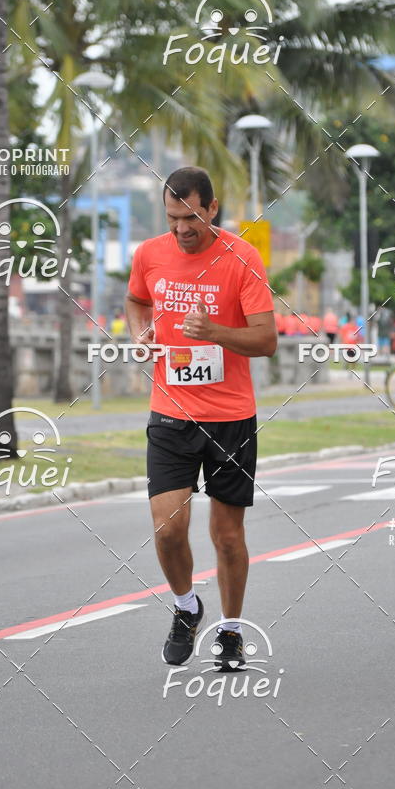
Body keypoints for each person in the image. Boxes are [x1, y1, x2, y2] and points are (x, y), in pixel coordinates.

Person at [125, 166, 277, 670]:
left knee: (227, 536)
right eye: (172, 218)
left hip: (230, 417)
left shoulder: (242, 257)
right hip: (170, 412)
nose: (181, 229)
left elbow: (266, 339)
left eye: (191, 217)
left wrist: (215, 332)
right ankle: (187, 606)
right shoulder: (149, 254)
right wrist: (139, 333)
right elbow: (136, 299)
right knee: (168, 528)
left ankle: (230, 631)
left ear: (212, 208)